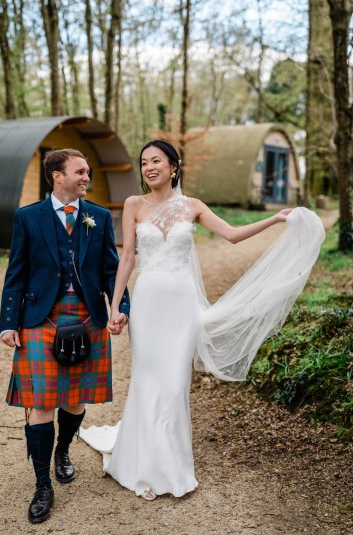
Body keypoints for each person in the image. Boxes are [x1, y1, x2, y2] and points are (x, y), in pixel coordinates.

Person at [79, 140, 325, 501]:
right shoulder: (133, 205)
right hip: (147, 302)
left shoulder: (192, 206)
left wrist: (275, 218)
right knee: (148, 380)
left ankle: (171, 466)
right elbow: (127, 258)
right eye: (144, 162)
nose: (149, 168)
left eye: (157, 161)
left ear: (173, 166)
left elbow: (232, 235)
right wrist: (116, 305)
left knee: (175, 384)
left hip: (181, 304)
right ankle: (141, 466)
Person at [0, 148, 129, 523]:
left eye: (87, 171)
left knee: (73, 400)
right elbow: (16, 273)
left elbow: (111, 269)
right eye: (80, 172)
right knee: (41, 402)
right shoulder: (28, 217)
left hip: (87, 316)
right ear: (58, 176)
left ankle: (63, 450)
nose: (87, 177)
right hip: (41, 319)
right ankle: (42, 485)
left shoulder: (98, 217)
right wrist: (8, 323)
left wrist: (120, 307)